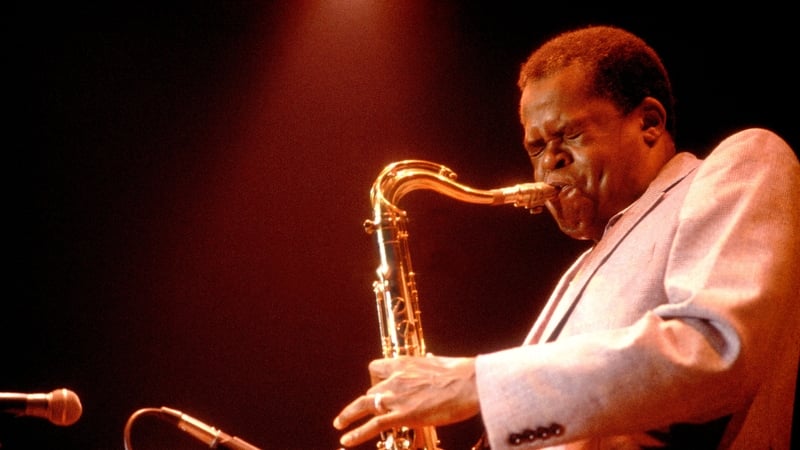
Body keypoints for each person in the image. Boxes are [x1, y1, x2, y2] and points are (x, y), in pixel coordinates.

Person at [333, 25, 800, 449]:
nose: (548, 163)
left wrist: (477, 382)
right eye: (536, 147)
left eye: (568, 135)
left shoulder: (742, 162)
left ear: (650, 122)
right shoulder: (582, 267)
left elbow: (717, 347)